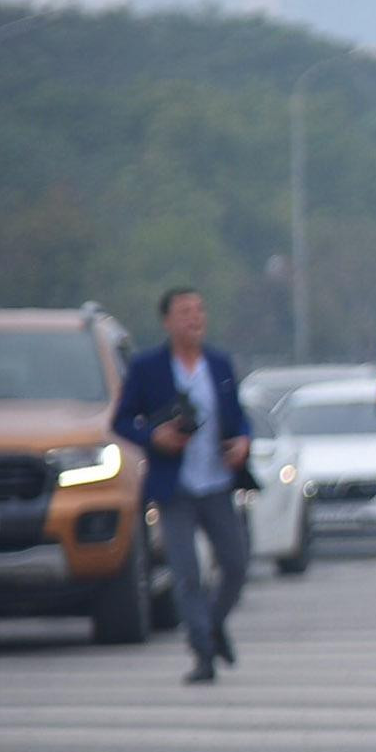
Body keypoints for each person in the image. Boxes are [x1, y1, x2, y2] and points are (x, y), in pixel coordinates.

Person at [113, 287, 251, 685]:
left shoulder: (219, 363)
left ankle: (212, 623)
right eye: (185, 311)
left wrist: (242, 441)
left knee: (236, 565)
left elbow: (239, 418)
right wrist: (153, 437)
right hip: (175, 487)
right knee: (187, 574)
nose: (195, 317)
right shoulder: (148, 367)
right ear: (167, 321)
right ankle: (203, 654)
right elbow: (121, 421)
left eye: (200, 309)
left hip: (218, 481)